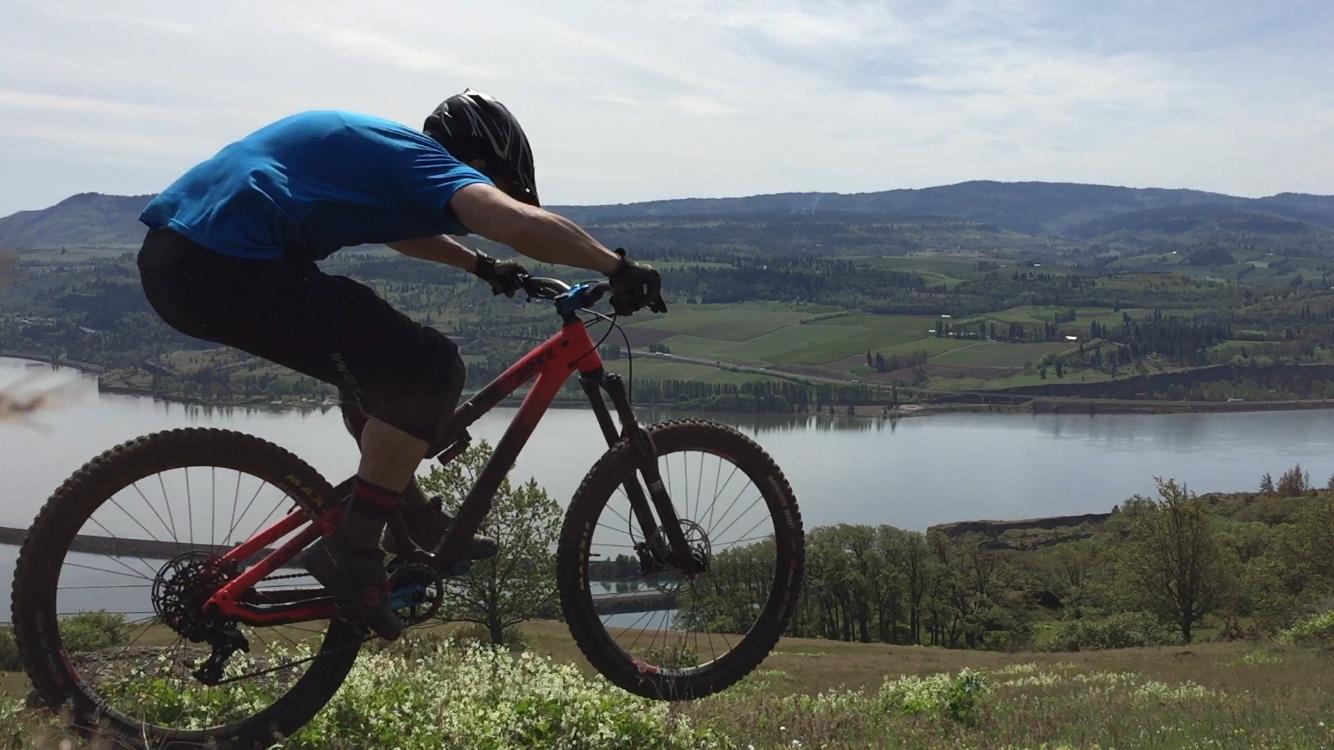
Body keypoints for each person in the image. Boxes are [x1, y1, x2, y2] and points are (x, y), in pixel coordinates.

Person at [136, 90, 664, 640]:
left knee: (374, 371)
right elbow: (521, 225)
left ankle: (403, 511)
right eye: (491, 186)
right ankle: (353, 548)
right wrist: (618, 265)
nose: (474, 208)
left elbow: (404, 231)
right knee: (429, 368)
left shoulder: (388, 154)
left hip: (182, 261)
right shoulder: (428, 161)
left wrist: (483, 266)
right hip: (222, 264)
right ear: (479, 163)